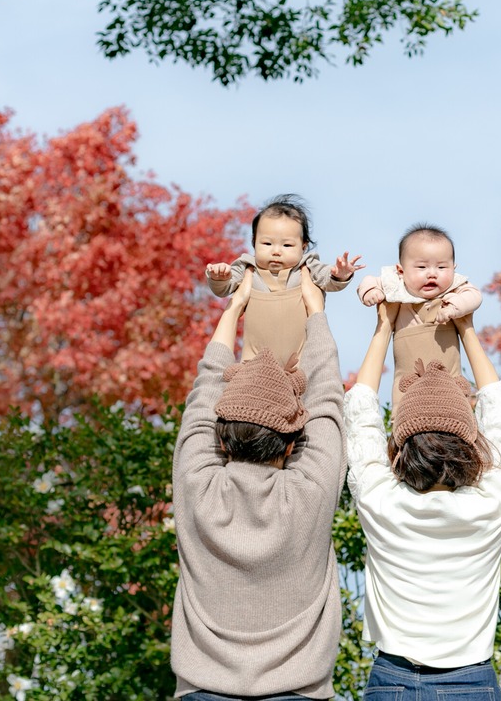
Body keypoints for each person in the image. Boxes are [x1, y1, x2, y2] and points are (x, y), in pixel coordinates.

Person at [170, 269, 346, 700]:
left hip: (202, 691)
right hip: (299, 692)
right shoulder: (310, 492)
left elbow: (203, 395)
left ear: (220, 435)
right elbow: (326, 401)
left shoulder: (196, 484)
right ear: (291, 445)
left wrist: (234, 309)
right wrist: (315, 313)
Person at [343, 302, 501, 699]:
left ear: (401, 450)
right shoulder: (491, 504)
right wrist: (467, 330)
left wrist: (384, 327)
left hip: (392, 680)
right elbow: (500, 413)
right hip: (473, 681)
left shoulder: (381, 501)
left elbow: (359, 409)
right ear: (469, 447)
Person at [206, 194, 363, 364]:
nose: (276, 251)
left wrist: (339, 274)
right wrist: (220, 276)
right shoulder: (247, 267)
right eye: (267, 244)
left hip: (300, 363)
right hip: (253, 363)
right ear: (254, 242)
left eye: (287, 245)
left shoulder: (308, 266)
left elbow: (327, 279)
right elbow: (224, 288)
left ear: (303, 247)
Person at [357, 223, 482, 405]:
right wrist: (370, 292)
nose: (432, 274)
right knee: (407, 413)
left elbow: (474, 296)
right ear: (401, 270)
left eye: (441, 268)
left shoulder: (455, 289)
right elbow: (368, 281)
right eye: (422, 267)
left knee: (454, 413)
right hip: (408, 393)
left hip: (450, 393)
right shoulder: (396, 288)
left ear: (454, 268)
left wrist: (454, 307)